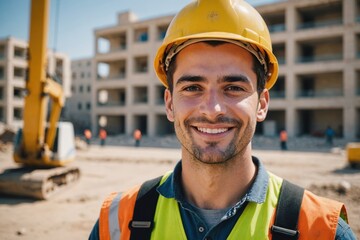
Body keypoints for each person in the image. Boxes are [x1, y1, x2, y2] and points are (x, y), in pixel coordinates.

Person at [89, 0, 355, 239]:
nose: (213, 109)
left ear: (262, 104)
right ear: (170, 104)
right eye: (192, 88)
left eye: (234, 88)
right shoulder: (117, 222)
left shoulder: (322, 229)